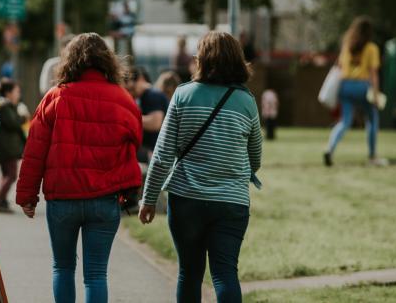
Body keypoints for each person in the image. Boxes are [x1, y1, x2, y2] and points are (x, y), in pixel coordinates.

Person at [15, 33, 142, 303]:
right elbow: (136, 138)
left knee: (63, 267)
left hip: (63, 198)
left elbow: (34, 151)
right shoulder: (123, 99)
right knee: (96, 274)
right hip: (104, 198)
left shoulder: (55, 97)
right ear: (107, 61)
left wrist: (27, 196)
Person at [138, 31, 263, 303]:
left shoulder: (183, 95)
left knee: (190, 273)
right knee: (225, 274)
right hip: (231, 202)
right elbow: (256, 158)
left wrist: (148, 199)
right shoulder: (247, 102)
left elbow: (162, 155)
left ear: (201, 61)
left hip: (187, 200)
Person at [324, 17, 383, 167]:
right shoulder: (371, 48)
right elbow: (374, 73)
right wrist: (375, 95)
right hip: (362, 87)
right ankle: (372, 156)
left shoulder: (347, 46)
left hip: (345, 86)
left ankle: (329, 149)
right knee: (372, 120)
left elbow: (340, 66)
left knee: (345, 121)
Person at [0, 79, 26, 213]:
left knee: (6, 174)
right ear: (8, 93)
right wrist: (23, 117)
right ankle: (0, 200)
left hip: (5, 148)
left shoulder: (4, 106)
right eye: (16, 91)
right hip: (8, 148)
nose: (18, 94)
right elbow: (13, 123)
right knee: (12, 175)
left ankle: (2, 199)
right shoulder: (4, 107)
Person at [128, 67, 170, 164]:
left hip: (156, 151)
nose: (130, 91)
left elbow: (155, 123)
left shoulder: (152, 94)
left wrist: (128, 117)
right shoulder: (145, 97)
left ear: (141, 79)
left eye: (132, 88)